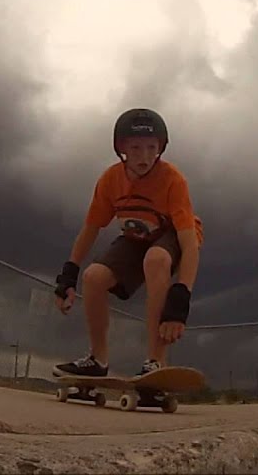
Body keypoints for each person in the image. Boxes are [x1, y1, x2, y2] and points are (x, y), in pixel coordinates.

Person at [52, 107, 204, 378]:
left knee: (156, 259)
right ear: (122, 147)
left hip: (174, 236)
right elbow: (90, 229)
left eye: (151, 148)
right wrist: (69, 274)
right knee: (93, 277)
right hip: (136, 237)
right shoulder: (110, 180)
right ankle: (98, 360)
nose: (144, 157)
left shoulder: (173, 180)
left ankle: (155, 362)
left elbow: (189, 243)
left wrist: (181, 296)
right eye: (135, 148)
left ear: (160, 148)